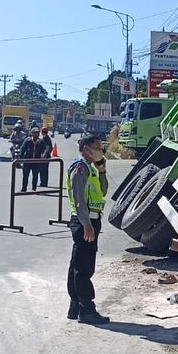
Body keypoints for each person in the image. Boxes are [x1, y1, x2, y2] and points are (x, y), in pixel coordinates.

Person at [66, 134, 109, 324]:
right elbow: (78, 198)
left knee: (77, 263)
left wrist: (102, 171)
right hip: (85, 222)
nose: (101, 151)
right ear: (86, 149)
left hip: (90, 221)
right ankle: (87, 310)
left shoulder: (91, 168)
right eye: (97, 147)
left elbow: (103, 190)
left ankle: (75, 306)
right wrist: (87, 225)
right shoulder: (80, 167)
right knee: (84, 268)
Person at [19, 127, 46, 192]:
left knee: (35, 175)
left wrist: (43, 156)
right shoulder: (27, 140)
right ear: (31, 134)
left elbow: (44, 150)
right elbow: (23, 149)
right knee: (25, 175)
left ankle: (34, 188)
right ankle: (24, 188)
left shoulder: (41, 141)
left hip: (36, 161)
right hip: (27, 161)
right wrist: (20, 158)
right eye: (35, 133)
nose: (36, 134)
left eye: (37, 133)